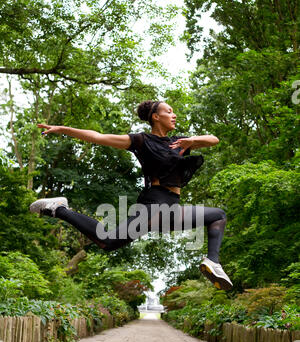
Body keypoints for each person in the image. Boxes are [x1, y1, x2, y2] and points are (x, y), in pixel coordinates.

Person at [30, 100, 233, 290]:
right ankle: (59, 209)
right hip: (156, 204)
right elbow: (98, 137)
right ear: (155, 116)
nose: (174, 115)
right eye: (168, 112)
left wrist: (191, 141)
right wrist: (63, 129)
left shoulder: (179, 143)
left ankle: (213, 262)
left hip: (172, 206)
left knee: (218, 216)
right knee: (107, 242)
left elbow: (213, 140)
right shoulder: (142, 140)